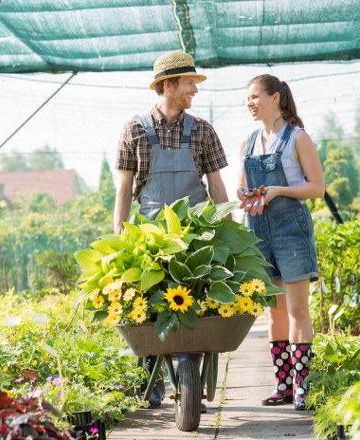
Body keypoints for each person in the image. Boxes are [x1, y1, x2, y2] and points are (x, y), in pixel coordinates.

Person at [114, 51, 229, 408]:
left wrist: (228, 234)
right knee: (146, 308)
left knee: (197, 304)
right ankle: (151, 379)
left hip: (197, 236)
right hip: (151, 237)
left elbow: (217, 187)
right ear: (169, 84)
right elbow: (123, 188)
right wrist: (120, 236)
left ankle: (189, 375)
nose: (195, 88)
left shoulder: (203, 130)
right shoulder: (134, 129)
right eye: (190, 82)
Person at [237, 74, 324, 411]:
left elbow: (317, 188)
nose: (250, 103)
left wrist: (279, 191)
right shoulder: (248, 141)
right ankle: (283, 385)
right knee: (274, 312)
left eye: (255, 96)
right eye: (247, 99)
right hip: (258, 228)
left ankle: (303, 386)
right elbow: (241, 188)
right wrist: (245, 195)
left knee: (297, 308)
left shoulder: (297, 137)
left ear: (276, 97)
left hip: (291, 228)